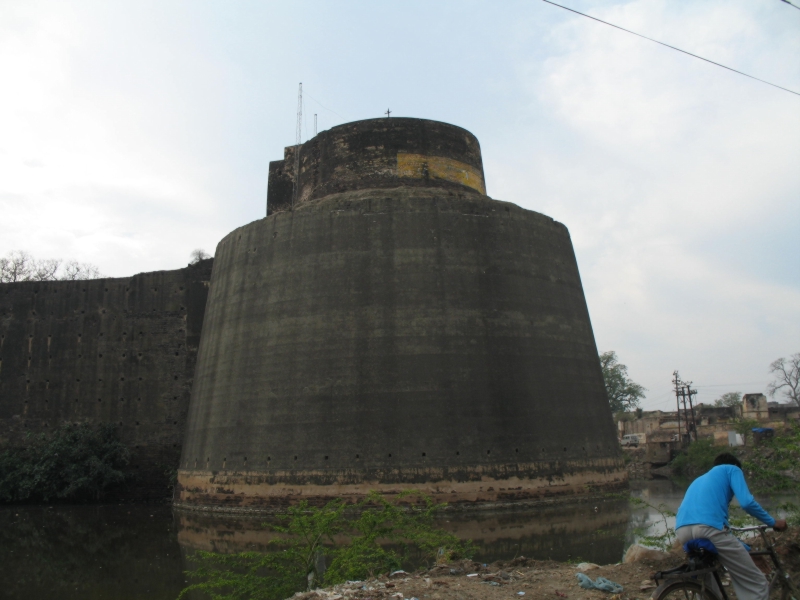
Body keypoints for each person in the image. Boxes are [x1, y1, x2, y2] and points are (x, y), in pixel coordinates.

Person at [675, 452, 788, 600]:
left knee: (708, 584)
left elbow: (723, 535)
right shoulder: (732, 469)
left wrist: (746, 549)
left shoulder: (699, 479)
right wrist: (773, 522)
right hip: (709, 528)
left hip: (682, 531)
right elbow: (747, 503)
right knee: (757, 583)